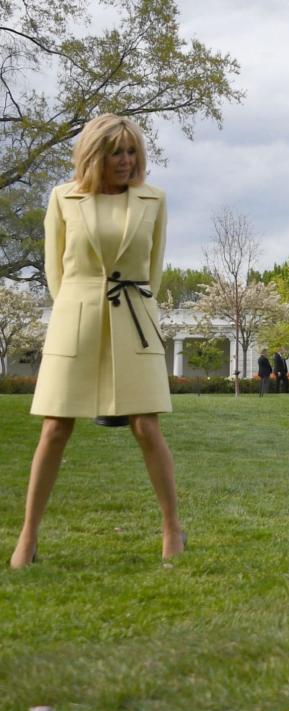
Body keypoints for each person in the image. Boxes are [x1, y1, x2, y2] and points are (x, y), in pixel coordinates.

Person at [10, 114, 185, 568]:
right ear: (94, 155)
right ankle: (28, 535)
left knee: (146, 426)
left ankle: (172, 527)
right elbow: (55, 273)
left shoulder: (154, 200)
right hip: (77, 317)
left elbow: (154, 268)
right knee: (54, 429)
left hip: (135, 318)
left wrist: (134, 305)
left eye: (132, 152)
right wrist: (82, 307)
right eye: (115, 153)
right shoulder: (62, 198)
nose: (125, 161)